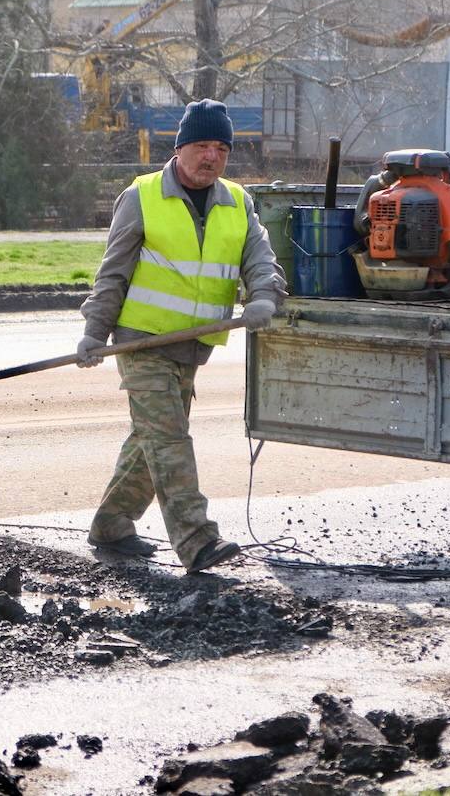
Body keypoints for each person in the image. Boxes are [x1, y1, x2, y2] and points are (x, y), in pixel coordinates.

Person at [77, 99, 285, 575]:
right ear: (179, 148)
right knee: (170, 439)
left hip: (193, 346)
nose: (211, 156)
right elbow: (113, 274)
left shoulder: (238, 202)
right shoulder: (142, 197)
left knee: (150, 440)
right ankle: (196, 540)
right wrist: (94, 332)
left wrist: (263, 297)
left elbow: (261, 260)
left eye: (221, 149)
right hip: (143, 342)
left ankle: (111, 525)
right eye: (202, 146)